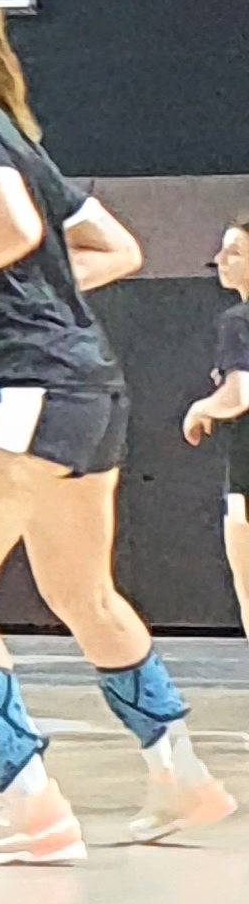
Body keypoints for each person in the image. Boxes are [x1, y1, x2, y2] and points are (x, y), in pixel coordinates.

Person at [0, 0, 232, 865]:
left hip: (28, 386)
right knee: (83, 593)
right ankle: (179, 776)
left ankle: (28, 802)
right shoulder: (12, 136)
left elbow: (17, 228)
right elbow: (114, 248)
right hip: (86, 385)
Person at [184, 213, 249, 633]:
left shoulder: (238, 321)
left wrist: (202, 408)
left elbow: (240, 392)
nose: (219, 260)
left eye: (235, 252)